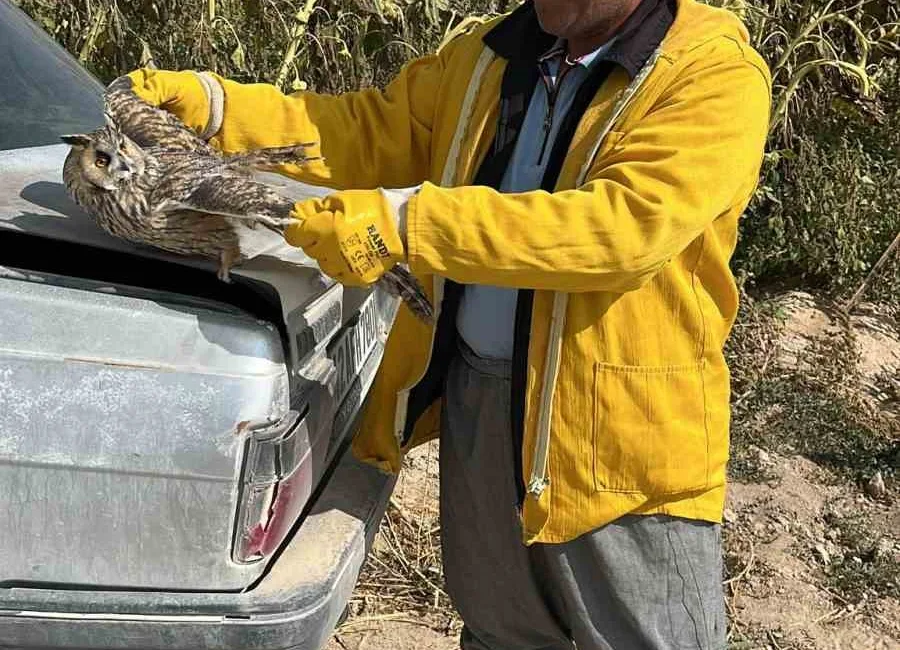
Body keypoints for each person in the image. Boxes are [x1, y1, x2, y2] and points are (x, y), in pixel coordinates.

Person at [129, 0, 771, 647]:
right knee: (500, 632)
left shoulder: (709, 71)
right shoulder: (491, 53)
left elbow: (621, 230)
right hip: (483, 406)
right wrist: (218, 111)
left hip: (621, 440)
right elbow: (368, 131)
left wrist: (405, 223)